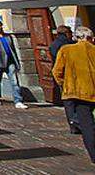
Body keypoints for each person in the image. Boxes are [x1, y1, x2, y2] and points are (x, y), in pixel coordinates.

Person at [53, 25, 95, 164]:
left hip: (78, 93)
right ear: (89, 38)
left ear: (76, 37)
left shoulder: (66, 50)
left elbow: (57, 72)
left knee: (87, 125)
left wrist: (65, 84)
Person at [0, 19, 27, 108]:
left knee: (14, 81)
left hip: (10, 60)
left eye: (0, 25)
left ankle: (18, 101)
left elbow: (12, 49)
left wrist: (16, 60)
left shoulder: (7, 36)